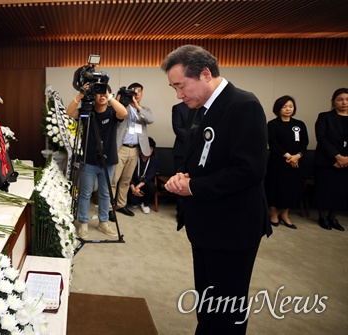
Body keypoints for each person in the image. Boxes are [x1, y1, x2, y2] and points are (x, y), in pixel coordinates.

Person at [161, 45, 271, 334]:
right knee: (208, 301)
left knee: (227, 307)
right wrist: (184, 177)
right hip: (207, 225)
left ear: (205, 74)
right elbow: (208, 159)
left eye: (180, 86)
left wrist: (193, 186)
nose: (179, 95)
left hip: (232, 227)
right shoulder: (201, 108)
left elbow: (249, 170)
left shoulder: (243, 105)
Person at [66, 84, 127, 238]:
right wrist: (80, 95)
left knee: (105, 193)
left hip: (108, 160)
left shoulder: (113, 112)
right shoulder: (87, 111)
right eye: (98, 93)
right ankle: (83, 223)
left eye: (104, 93)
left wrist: (109, 96)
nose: (101, 96)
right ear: (93, 95)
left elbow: (124, 112)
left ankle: (103, 222)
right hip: (90, 159)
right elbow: (69, 112)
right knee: (85, 193)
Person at [109, 83, 154, 221]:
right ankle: (109, 207)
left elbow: (151, 120)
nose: (136, 94)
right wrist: (120, 100)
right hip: (120, 148)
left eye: (139, 92)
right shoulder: (122, 108)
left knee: (126, 180)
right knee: (114, 179)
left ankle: (121, 205)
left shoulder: (144, 110)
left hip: (135, 149)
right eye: (133, 92)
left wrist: (137, 106)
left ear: (142, 94)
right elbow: (114, 115)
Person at [265, 96, 309, 229]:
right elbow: (273, 143)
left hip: (296, 163)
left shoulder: (299, 124)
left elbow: (304, 142)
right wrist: (289, 157)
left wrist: (297, 156)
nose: (288, 109)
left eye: (290, 106)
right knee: (275, 187)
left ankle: (285, 214)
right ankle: (273, 213)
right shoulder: (272, 124)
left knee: (291, 188)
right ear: (278, 109)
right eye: (284, 106)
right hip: (278, 162)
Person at [313, 87, 348, 231]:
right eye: (340, 99)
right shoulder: (325, 116)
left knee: (341, 191)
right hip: (327, 160)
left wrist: (346, 159)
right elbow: (322, 138)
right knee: (324, 189)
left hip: (346, 162)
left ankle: (332, 217)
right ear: (334, 101)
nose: (344, 102)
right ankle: (322, 217)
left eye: (347, 99)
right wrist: (337, 156)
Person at [127, 137, 157, 214]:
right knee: (133, 202)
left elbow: (150, 176)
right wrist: (133, 189)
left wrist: (139, 186)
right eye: (147, 147)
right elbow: (129, 174)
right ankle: (136, 201)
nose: (149, 150)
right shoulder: (135, 157)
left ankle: (145, 204)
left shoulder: (153, 160)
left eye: (151, 148)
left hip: (144, 184)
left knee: (152, 186)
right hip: (133, 184)